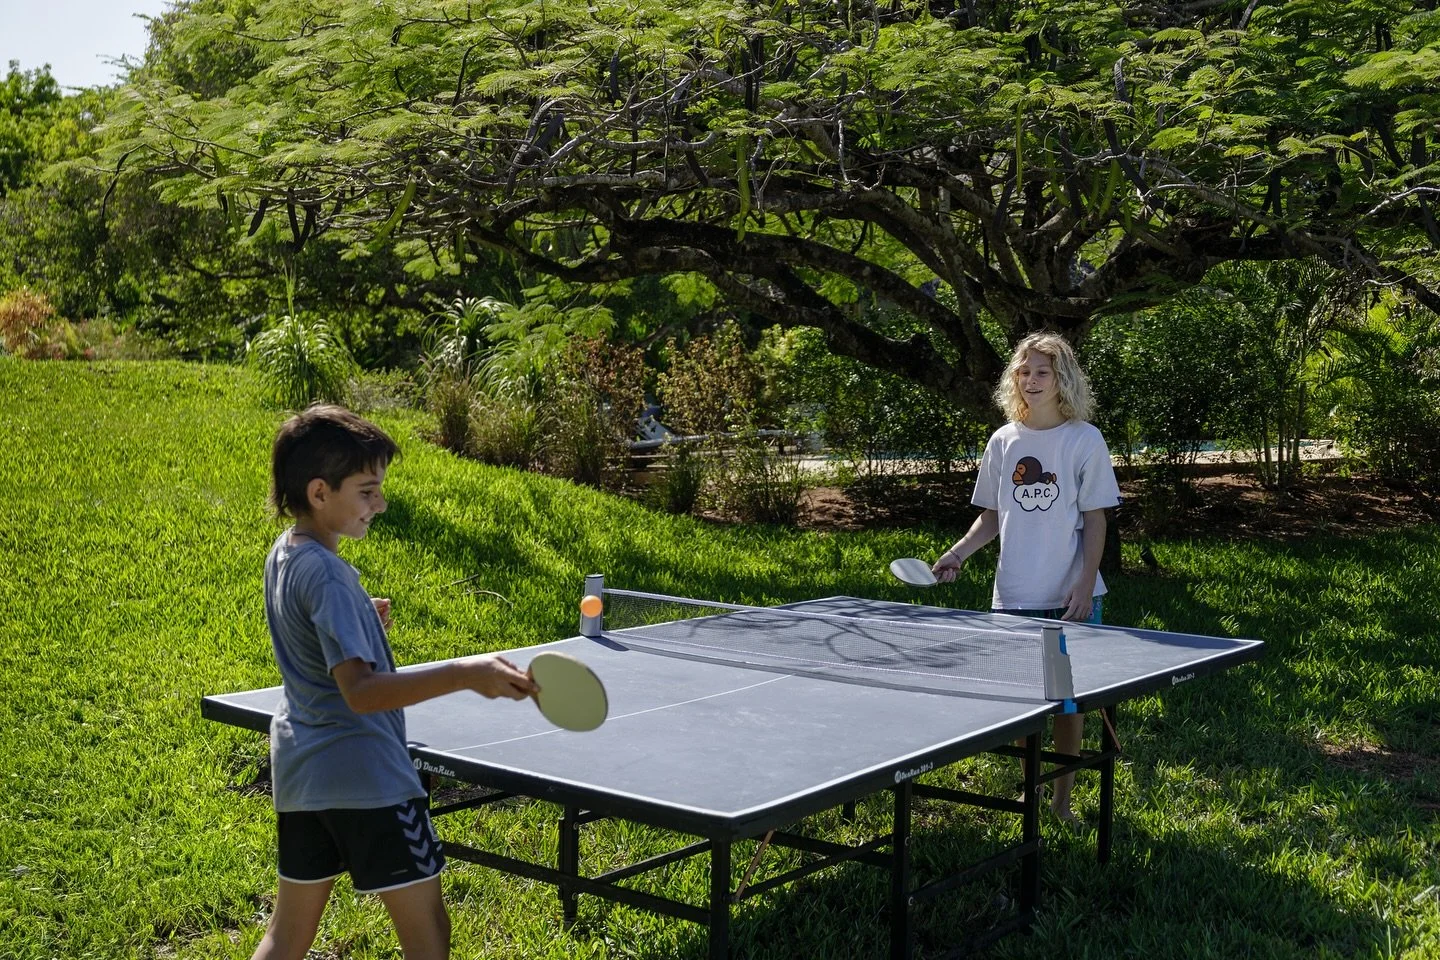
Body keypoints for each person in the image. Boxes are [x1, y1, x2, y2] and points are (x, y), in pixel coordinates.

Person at [254, 405, 538, 960]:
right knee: (429, 934)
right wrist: (467, 672)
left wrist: (360, 618)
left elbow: (313, 642)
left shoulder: (288, 553)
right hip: (367, 779)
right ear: (319, 492)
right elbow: (360, 693)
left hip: (303, 774)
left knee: (286, 935)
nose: (380, 504)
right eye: (366, 491)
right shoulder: (331, 575)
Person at [931, 333, 1121, 822]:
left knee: (1066, 705)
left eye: (1043, 372)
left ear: (1063, 379)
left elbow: (1097, 519)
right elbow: (993, 516)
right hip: (1013, 597)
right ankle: (1032, 790)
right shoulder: (1004, 439)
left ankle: (1061, 803)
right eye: (1024, 371)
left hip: (1067, 600)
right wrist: (957, 553)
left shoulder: (1084, 439)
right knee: (1025, 709)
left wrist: (1084, 582)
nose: (1032, 380)